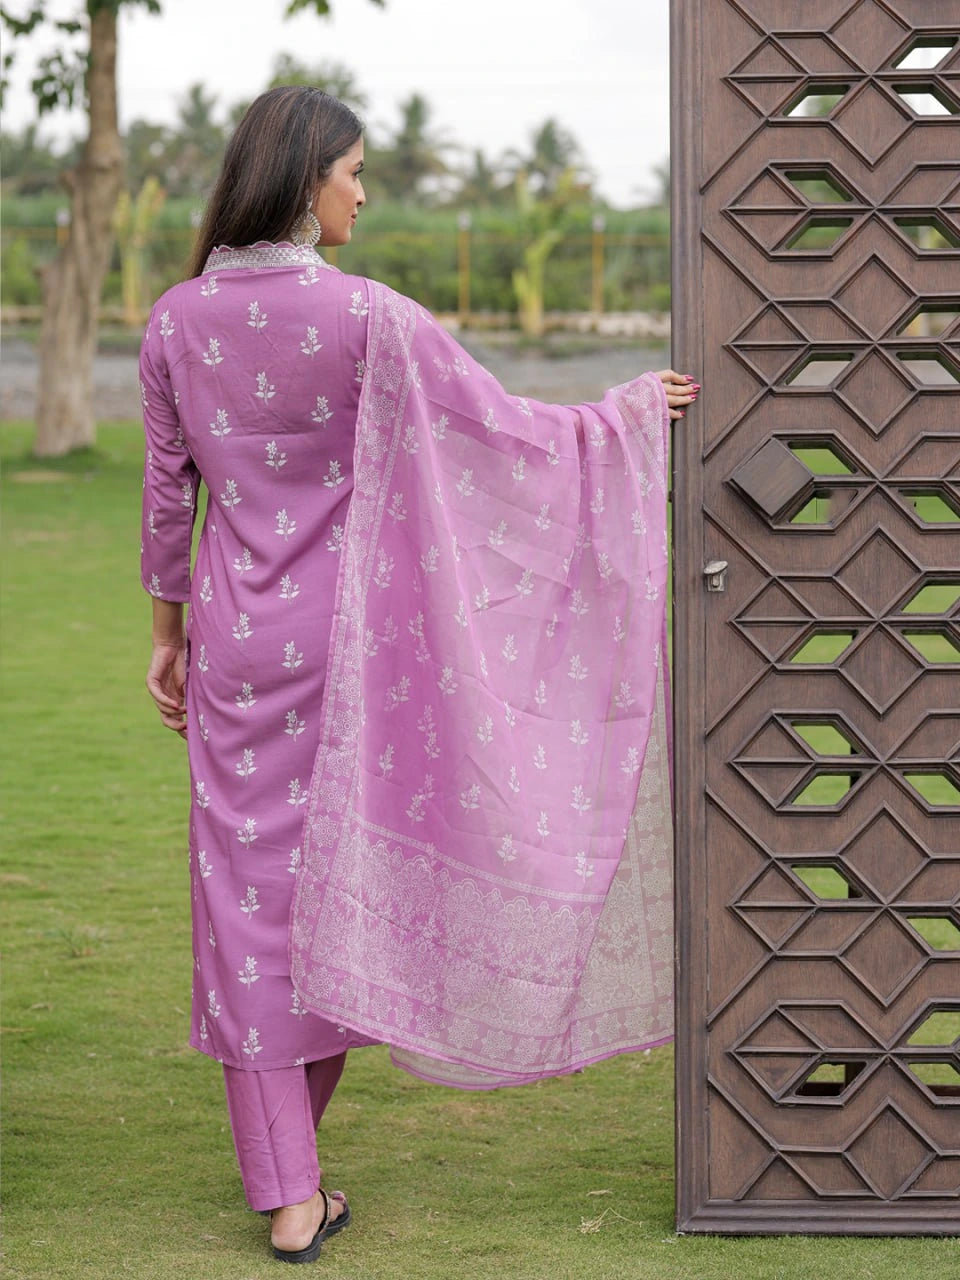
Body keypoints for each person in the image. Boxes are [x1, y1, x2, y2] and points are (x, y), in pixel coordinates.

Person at [141, 85, 696, 1265]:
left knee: (248, 899)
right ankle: (292, 1181)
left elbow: (164, 503)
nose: (362, 191)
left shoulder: (174, 323)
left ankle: (290, 1180)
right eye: (353, 170)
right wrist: (629, 414)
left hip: (240, 645)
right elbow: (505, 433)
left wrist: (168, 632)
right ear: (304, 180)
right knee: (335, 898)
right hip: (362, 654)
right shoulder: (368, 318)